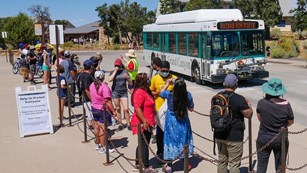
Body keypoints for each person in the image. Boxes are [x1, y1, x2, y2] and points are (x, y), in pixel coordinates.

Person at [215, 74, 253, 173]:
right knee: (234, 164)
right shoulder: (239, 99)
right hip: (235, 137)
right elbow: (248, 115)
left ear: (224, 84)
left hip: (219, 134)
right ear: (236, 85)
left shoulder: (217, 97)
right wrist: (249, 107)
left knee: (222, 162)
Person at [256, 78, 294, 173]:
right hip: (280, 138)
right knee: (280, 167)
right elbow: (291, 121)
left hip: (263, 137)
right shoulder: (286, 105)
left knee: (261, 166)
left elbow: (259, 118)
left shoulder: (261, 103)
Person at [160, 78, 194, 172]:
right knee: (183, 140)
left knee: (170, 140)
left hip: (170, 121)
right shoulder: (188, 95)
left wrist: (167, 83)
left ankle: (169, 166)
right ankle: (185, 164)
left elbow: (161, 93)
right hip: (183, 120)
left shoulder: (170, 94)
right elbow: (191, 108)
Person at [149, 60, 177, 162]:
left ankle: (171, 153)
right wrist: (158, 93)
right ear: (159, 69)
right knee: (160, 133)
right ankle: (160, 152)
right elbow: (150, 91)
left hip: (171, 111)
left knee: (171, 133)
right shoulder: (155, 78)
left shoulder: (174, 78)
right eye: (163, 70)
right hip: (159, 109)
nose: (165, 72)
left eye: (167, 71)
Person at [130, 73, 157, 173]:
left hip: (149, 121)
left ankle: (138, 163)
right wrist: (145, 121)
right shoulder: (139, 92)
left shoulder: (145, 90)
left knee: (142, 143)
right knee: (144, 144)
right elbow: (137, 108)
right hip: (142, 123)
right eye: (147, 79)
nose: (149, 80)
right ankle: (146, 167)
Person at [89, 70, 116, 154]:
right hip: (102, 110)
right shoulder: (104, 87)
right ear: (103, 77)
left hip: (94, 108)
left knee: (96, 127)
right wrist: (113, 110)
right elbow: (107, 101)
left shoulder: (92, 85)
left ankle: (98, 144)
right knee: (103, 129)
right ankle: (103, 147)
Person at [77, 59, 97, 149]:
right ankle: (99, 140)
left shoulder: (81, 74)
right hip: (88, 100)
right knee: (93, 120)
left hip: (84, 99)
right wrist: (93, 100)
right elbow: (87, 89)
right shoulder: (87, 76)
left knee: (91, 118)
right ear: (91, 67)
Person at [108, 58, 132, 131]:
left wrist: (127, 78)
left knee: (126, 109)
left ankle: (128, 123)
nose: (117, 67)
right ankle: (120, 124)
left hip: (123, 92)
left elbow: (130, 83)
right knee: (118, 109)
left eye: (118, 65)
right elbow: (110, 79)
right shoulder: (112, 72)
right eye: (116, 65)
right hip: (115, 92)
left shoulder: (125, 72)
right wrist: (115, 71)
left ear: (121, 65)